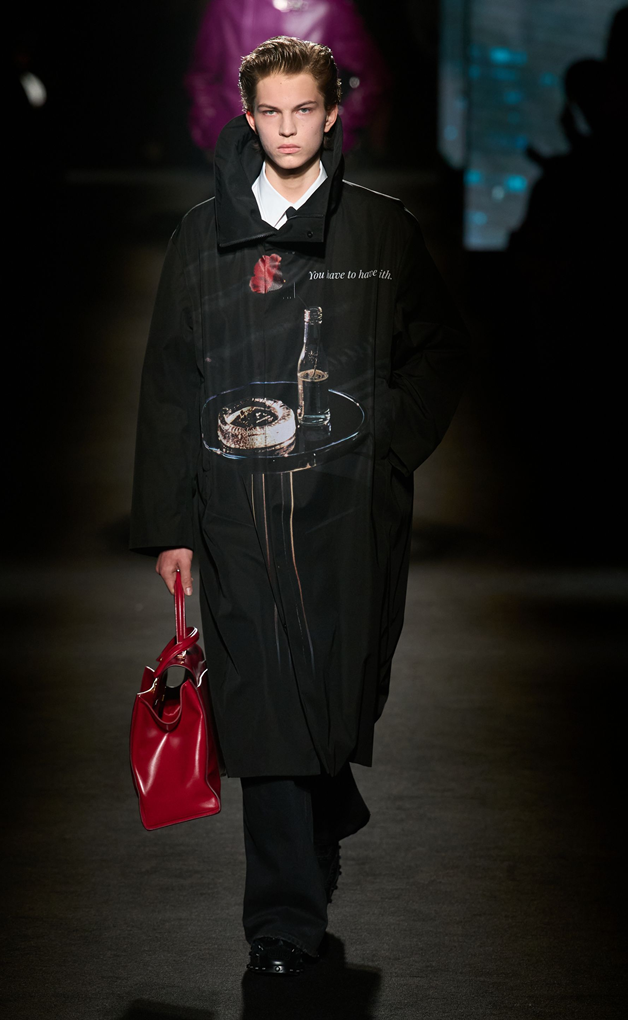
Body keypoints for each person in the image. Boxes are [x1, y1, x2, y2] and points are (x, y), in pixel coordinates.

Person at [130, 35, 470, 976]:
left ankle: (325, 815)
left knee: (338, 683)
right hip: (235, 506)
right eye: (271, 112)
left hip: (349, 507)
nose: (287, 129)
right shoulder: (201, 236)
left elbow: (441, 350)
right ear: (248, 117)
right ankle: (282, 923)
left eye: (304, 111)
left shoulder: (382, 231)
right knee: (263, 697)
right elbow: (170, 384)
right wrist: (169, 525)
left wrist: (385, 441)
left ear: (331, 116)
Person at [183, 0, 391, 154]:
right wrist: (219, 134)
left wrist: (335, 131)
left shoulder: (329, 8)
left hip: (309, 154)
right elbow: (202, 76)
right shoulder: (228, 6)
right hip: (241, 151)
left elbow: (372, 76)